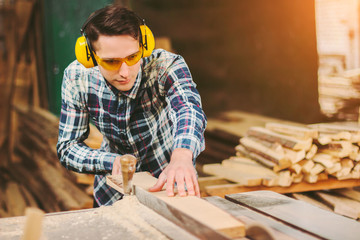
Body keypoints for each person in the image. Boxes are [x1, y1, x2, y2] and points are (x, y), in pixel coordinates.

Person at [56, 4, 207, 207]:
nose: (124, 72)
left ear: (144, 46)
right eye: (111, 62)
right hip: (112, 190)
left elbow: (188, 108)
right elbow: (68, 147)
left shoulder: (165, 65)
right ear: (90, 57)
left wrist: (181, 156)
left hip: (168, 181)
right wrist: (112, 161)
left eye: (132, 57)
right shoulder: (77, 77)